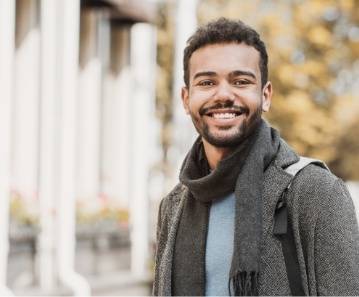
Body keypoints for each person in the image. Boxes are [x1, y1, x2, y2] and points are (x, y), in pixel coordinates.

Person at [152, 17, 359, 296]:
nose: (223, 94)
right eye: (207, 82)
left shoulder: (316, 193)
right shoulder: (173, 206)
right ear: (186, 99)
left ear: (265, 95)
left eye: (240, 81)